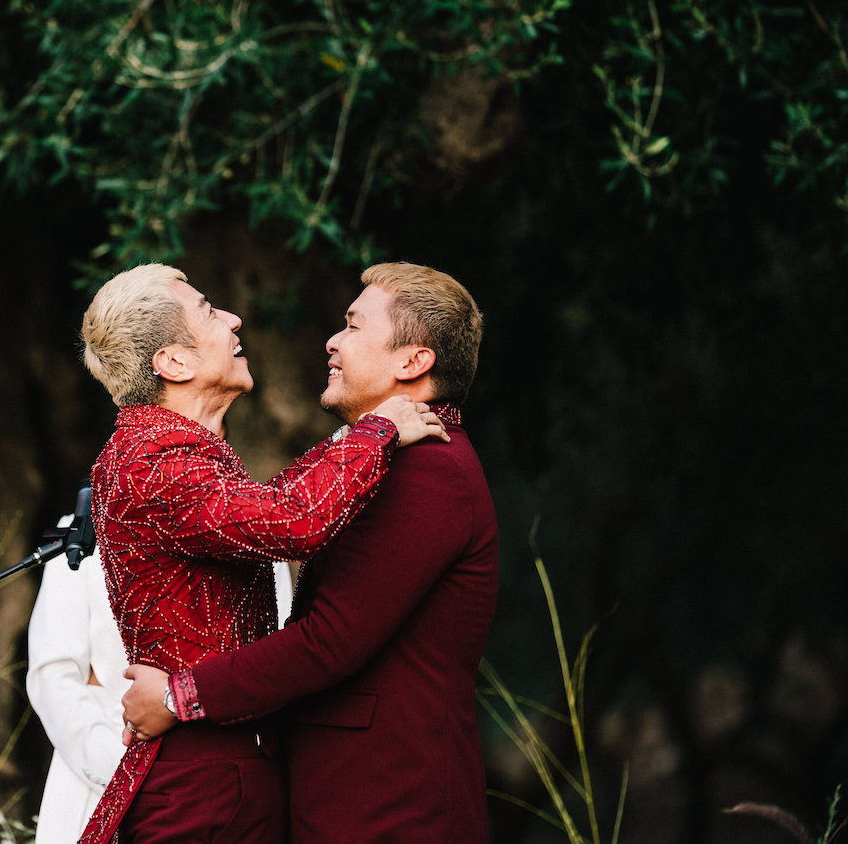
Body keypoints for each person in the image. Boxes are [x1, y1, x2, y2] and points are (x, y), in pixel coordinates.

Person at [118, 262, 499, 843]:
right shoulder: (389, 462)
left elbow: (329, 639)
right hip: (346, 799)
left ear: (412, 362)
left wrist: (178, 696)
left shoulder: (430, 472)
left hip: (391, 808)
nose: (333, 340)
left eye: (353, 326)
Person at [25, 540, 292, 844]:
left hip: (217, 784)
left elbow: (268, 661)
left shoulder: (244, 532)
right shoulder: (85, 532)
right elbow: (53, 677)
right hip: (96, 776)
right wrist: (123, 769)